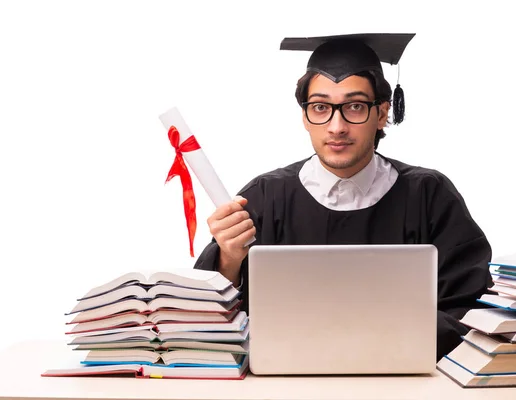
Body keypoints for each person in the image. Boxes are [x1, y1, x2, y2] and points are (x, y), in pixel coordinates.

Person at [193, 33, 493, 361]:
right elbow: (208, 318)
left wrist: (387, 343)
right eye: (320, 107)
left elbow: (471, 307)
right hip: (283, 382)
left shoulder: (430, 196)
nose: (336, 126)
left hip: (407, 380)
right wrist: (229, 259)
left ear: (381, 114)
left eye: (354, 106)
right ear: (305, 117)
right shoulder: (264, 198)